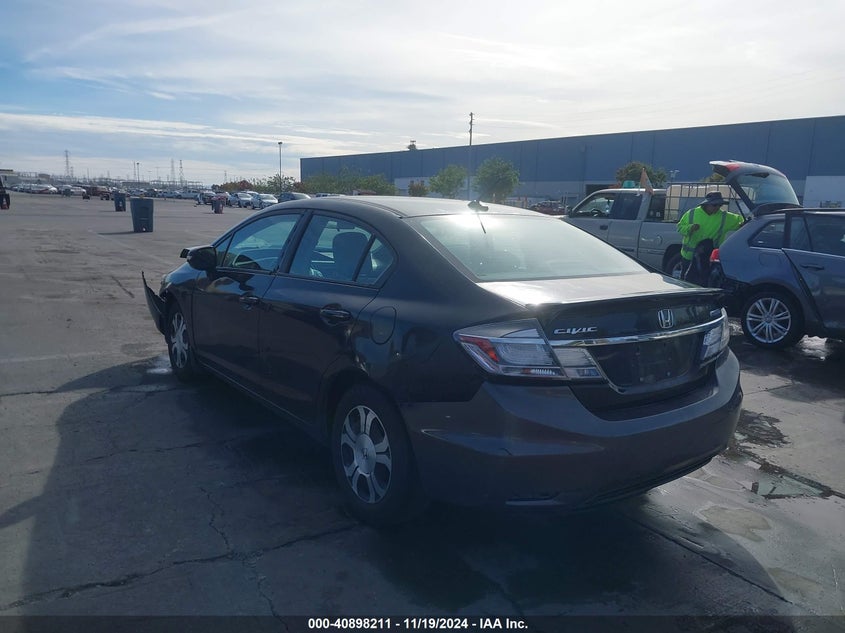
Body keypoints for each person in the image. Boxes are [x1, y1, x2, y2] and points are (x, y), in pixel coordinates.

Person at [677, 191, 743, 285]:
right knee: (686, 283)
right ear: (706, 204)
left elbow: (743, 222)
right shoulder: (692, 213)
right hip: (689, 257)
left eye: (720, 205)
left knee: (705, 283)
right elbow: (680, 228)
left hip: (708, 259)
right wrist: (689, 228)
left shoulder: (725, 217)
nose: (717, 207)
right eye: (714, 205)